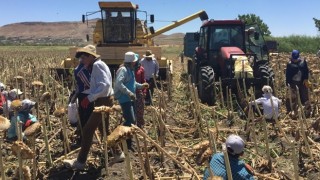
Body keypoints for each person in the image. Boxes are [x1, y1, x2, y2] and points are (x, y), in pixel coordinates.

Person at [64, 45, 123, 170]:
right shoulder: (98, 65)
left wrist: (89, 98)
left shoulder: (97, 65)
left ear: (91, 56)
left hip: (103, 101)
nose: (82, 60)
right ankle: (118, 154)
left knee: (87, 130)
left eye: (84, 57)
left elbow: (105, 86)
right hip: (104, 99)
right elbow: (99, 86)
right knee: (104, 130)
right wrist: (88, 96)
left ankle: (80, 162)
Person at [114, 52, 149, 150]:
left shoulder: (130, 70)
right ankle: (120, 136)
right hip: (125, 98)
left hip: (130, 97)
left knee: (132, 121)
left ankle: (129, 141)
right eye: (134, 61)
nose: (136, 62)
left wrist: (142, 86)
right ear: (131, 62)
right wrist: (129, 93)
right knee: (131, 120)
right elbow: (118, 83)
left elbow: (133, 83)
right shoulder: (123, 70)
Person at [70, 59, 94, 145]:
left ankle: (85, 137)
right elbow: (89, 83)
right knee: (85, 117)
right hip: (84, 95)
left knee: (85, 116)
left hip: (84, 94)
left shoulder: (81, 69)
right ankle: (84, 138)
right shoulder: (81, 70)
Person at [134, 54, 147, 128]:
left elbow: (143, 81)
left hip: (139, 92)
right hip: (130, 93)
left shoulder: (141, 69)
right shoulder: (128, 69)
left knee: (140, 110)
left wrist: (144, 91)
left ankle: (140, 125)